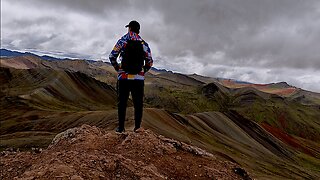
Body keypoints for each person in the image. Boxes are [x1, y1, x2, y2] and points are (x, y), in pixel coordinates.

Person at [109, 20, 153, 133]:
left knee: (122, 103)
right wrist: (143, 71)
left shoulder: (123, 40)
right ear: (138, 30)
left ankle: (120, 128)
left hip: (123, 77)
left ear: (129, 28)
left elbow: (112, 56)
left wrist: (118, 69)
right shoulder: (144, 44)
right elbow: (149, 61)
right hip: (138, 79)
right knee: (138, 104)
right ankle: (137, 128)